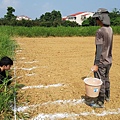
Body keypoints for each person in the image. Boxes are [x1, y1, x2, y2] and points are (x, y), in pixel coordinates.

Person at [90, 8, 113, 108]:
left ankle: (100, 101)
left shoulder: (100, 31)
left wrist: (96, 64)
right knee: (106, 78)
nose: (96, 21)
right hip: (109, 60)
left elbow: (99, 49)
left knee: (100, 80)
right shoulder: (110, 29)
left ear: (101, 19)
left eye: (97, 19)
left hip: (102, 61)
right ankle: (107, 96)